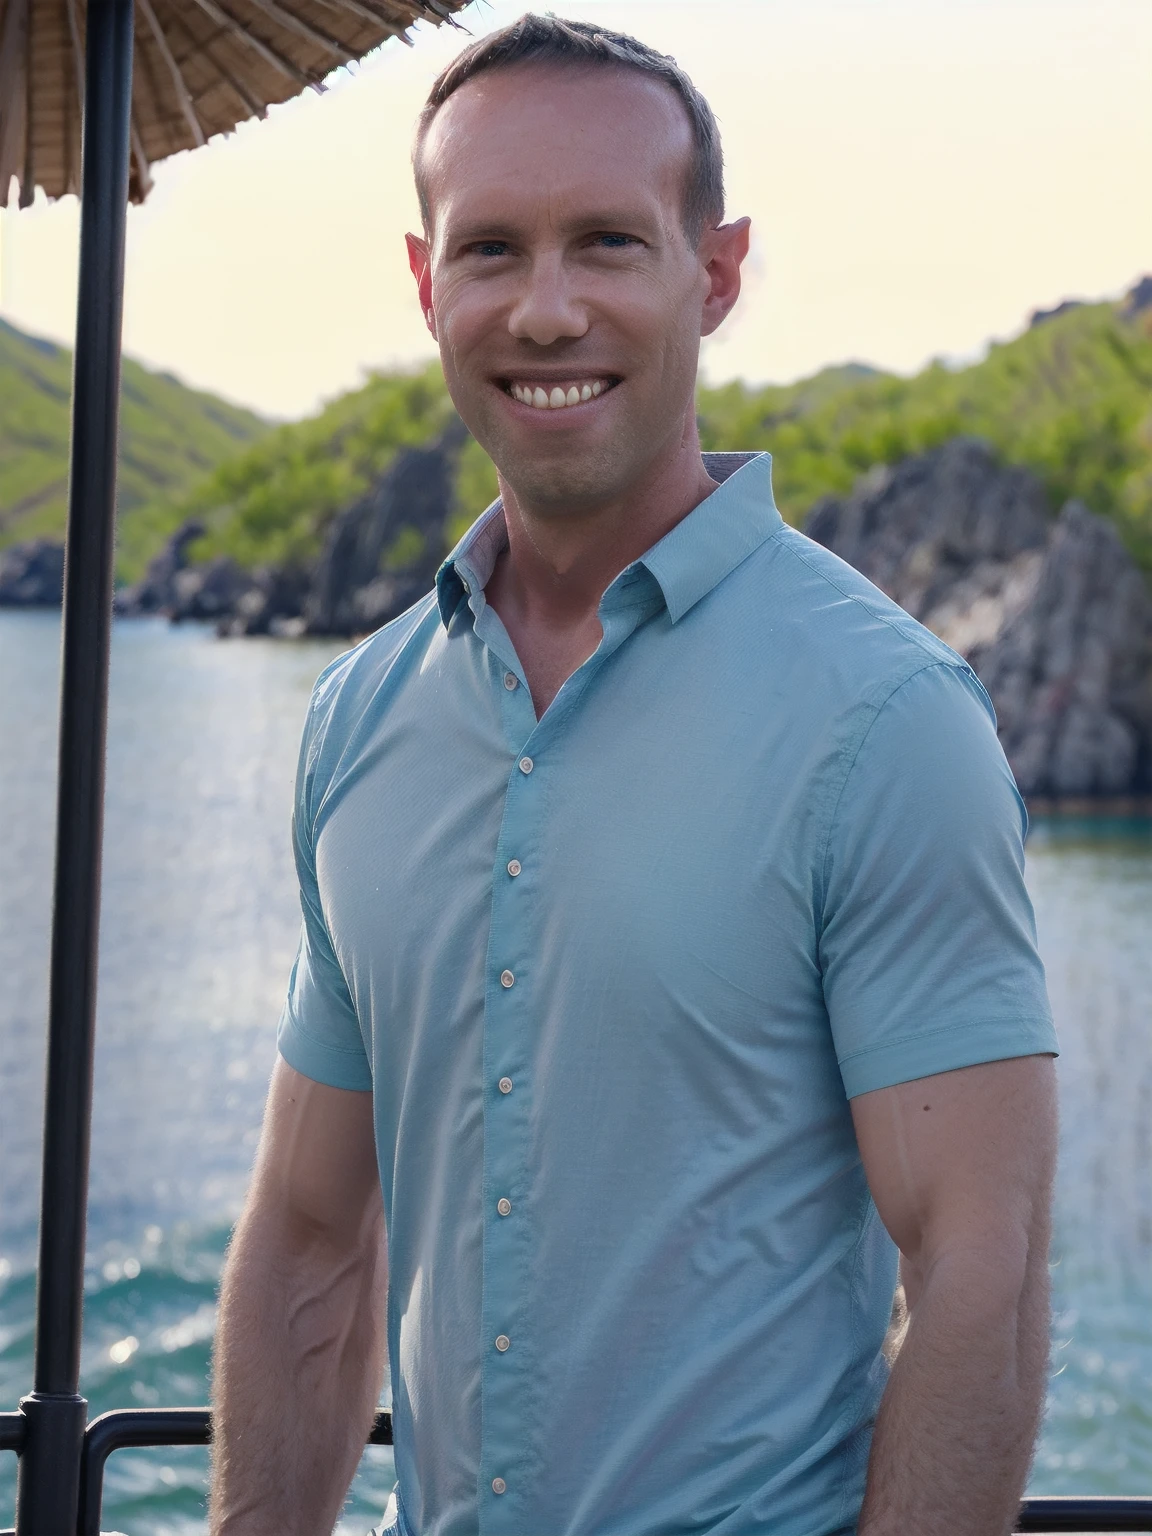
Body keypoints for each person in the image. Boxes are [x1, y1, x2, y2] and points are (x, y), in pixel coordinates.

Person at [209, 16, 1059, 1536]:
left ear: (713, 274)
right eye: (491, 252)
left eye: (607, 242)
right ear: (426, 285)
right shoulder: (358, 721)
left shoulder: (887, 719)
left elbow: (979, 1272)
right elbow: (311, 1241)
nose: (547, 311)